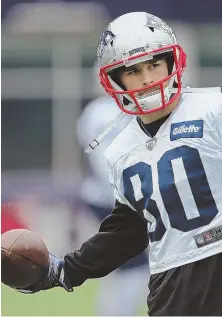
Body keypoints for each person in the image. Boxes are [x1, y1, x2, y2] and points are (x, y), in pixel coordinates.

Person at [14, 12, 222, 316]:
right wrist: (66, 271)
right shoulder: (120, 147)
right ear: (115, 79)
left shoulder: (213, 109)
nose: (148, 78)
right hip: (175, 283)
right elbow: (129, 228)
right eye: (133, 71)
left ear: (171, 62)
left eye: (153, 64)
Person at [76, 95, 149, 315]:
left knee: (123, 268)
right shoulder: (118, 112)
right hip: (118, 199)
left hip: (104, 198)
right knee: (133, 268)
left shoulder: (93, 111)